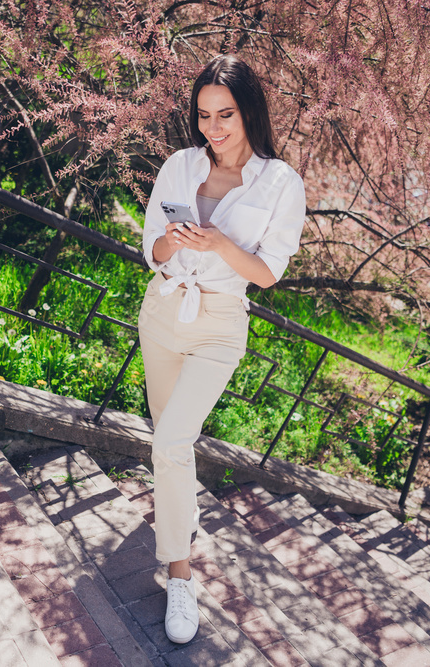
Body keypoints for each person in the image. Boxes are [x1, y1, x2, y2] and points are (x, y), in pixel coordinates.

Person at [139, 54, 306, 644]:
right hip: (162, 311)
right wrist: (167, 241)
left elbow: (267, 274)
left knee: (171, 441)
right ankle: (179, 516)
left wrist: (217, 244)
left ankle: (179, 579)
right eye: (204, 115)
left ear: (249, 112)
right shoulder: (180, 167)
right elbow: (150, 254)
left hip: (218, 325)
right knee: (168, 439)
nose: (214, 128)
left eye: (226, 114)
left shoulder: (281, 182)